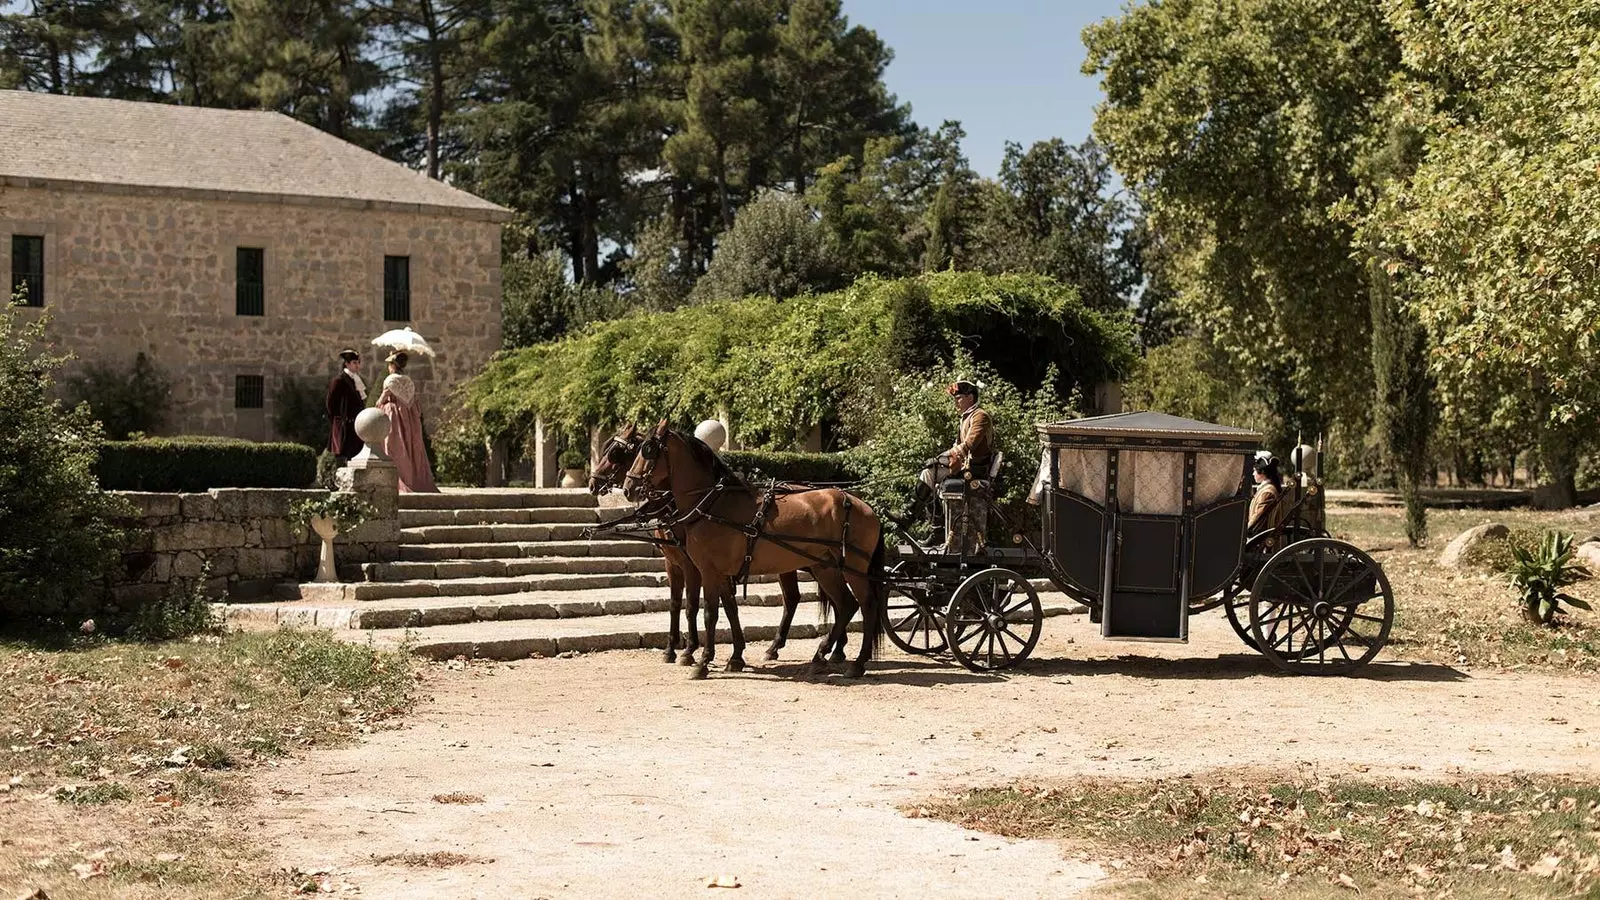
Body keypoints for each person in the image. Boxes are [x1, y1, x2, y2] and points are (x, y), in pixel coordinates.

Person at [942, 380, 996, 554]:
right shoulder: (966, 417)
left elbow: (969, 445)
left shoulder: (980, 416)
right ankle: (935, 527)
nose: (955, 402)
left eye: (958, 398)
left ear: (970, 397)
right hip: (964, 469)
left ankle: (910, 518)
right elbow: (957, 445)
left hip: (974, 471)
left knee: (930, 473)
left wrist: (943, 457)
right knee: (930, 473)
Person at [377, 351, 439, 493]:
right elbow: (415, 404)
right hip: (410, 420)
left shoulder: (390, 380)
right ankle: (413, 479)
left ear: (393, 365)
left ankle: (397, 480)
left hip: (394, 417)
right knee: (409, 447)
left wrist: (378, 405)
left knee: (394, 446)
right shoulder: (409, 381)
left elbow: (382, 399)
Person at [325, 348, 366, 461]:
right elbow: (330, 402)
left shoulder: (356, 380)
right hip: (344, 424)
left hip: (355, 424)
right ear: (347, 364)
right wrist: (338, 419)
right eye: (354, 363)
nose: (357, 365)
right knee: (344, 455)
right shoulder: (339, 380)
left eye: (358, 363)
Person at [1248, 452, 1286, 535]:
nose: (1253, 473)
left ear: (1262, 472)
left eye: (1255, 470)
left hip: (1261, 539)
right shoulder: (1265, 489)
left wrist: (1244, 531)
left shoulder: (1267, 493)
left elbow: (1257, 519)